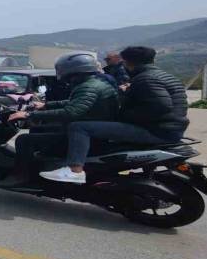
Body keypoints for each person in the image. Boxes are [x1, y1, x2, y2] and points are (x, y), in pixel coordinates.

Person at [30, 46, 189, 184]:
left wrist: (124, 116)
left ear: (128, 63)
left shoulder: (145, 79)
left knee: (78, 127)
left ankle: (75, 170)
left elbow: (161, 106)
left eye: (124, 62)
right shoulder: (164, 76)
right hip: (171, 128)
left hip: (156, 130)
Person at [8, 52, 120, 184]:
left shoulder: (88, 87)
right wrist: (45, 105)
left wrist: (28, 115)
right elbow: (75, 102)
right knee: (38, 129)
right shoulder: (97, 83)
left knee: (23, 140)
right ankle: (42, 167)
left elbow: (71, 112)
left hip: (87, 135)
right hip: (95, 129)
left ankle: (22, 176)